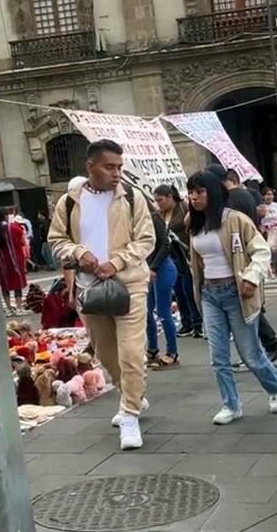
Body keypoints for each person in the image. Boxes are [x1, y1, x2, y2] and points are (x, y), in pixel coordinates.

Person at [48, 139, 156, 450]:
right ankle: (131, 393)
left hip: (130, 283)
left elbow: (146, 240)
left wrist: (116, 262)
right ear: (90, 166)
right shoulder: (68, 202)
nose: (116, 173)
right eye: (110, 167)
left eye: (120, 167)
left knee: (132, 352)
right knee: (105, 353)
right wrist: (79, 253)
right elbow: (56, 240)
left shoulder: (133, 197)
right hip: (89, 287)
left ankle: (130, 414)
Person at [186, 170, 277, 425]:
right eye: (191, 192)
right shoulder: (195, 225)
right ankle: (231, 404)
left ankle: (276, 387)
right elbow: (196, 261)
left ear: (213, 192)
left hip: (236, 293)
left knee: (250, 354)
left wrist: (251, 277)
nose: (194, 197)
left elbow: (261, 250)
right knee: (217, 356)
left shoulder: (235, 220)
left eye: (200, 192)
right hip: (210, 293)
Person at [154, 184, 202, 339]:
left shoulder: (183, 209)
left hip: (185, 254)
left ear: (169, 197)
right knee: (179, 290)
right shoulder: (160, 214)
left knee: (189, 289)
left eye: (160, 200)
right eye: (156, 201)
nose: (158, 203)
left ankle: (197, 322)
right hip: (172, 255)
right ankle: (186, 321)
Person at [145, 203, 179, 368]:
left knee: (163, 311)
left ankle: (172, 351)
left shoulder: (152, 218)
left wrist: (153, 267)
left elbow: (165, 245)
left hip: (162, 267)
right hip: (149, 268)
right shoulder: (136, 220)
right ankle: (152, 349)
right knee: (146, 310)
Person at [0, 208, 29, 315]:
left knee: (5, 284)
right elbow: (23, 242)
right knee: (17, 283)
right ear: (6, 216)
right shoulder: (13, 228)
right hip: (15, 260)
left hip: (1, 262)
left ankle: (8, 308)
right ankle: (18, 308)